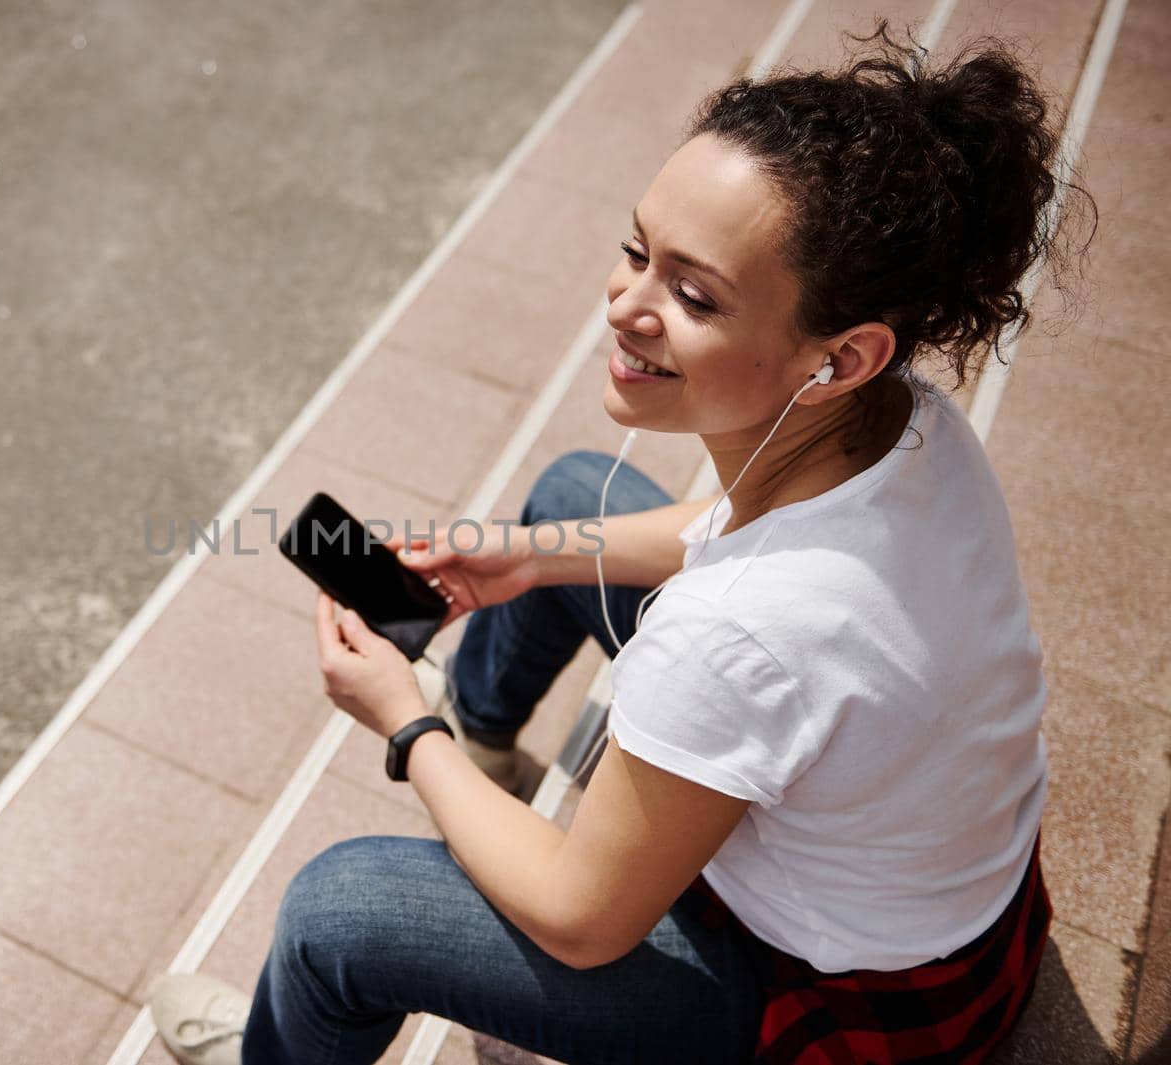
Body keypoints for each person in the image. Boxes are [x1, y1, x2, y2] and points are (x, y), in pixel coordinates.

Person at [149, 24, 1091, 1065]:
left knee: (339, 913)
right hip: (948, 903)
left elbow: (581, 920)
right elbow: (745, 550)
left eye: (693, 297)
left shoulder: (736, 638)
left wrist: (405, 726)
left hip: (831, 990)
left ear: (838, 358)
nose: (625, 306)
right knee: (561, 511)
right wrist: (533, 560)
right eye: (637, 251)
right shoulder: (911, 425)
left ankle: (289, 1030)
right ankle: (492, 762)